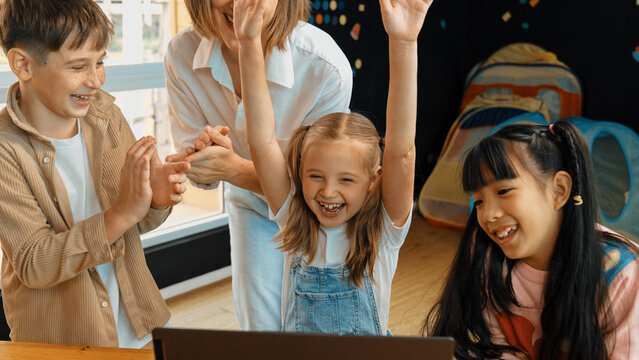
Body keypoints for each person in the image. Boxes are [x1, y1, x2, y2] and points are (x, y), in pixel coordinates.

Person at [219, 0, 432, 334]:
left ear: (374, 181)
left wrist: (403, 43)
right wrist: (248, 43)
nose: (328, 191)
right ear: (299, 173)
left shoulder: (384, 231)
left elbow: (402, 153)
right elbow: (261, 143)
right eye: (315, 176)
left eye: (346, 179)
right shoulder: (293, 216)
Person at [0, 0, 189, 347]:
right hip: (60, 343)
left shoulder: (107, 115)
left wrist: (155, 202)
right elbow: (33, 263)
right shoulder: (5, 150)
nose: (96, 79)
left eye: (100, 62)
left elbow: (134, 223)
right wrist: (123, 213)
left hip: (137, 327)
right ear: (22, 64)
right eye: (78, 66)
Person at [163, 0, 353, 330]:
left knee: (320, 325)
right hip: (249, 205)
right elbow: (202, 175)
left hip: (319, 215)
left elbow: (322, 192)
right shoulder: (182, 55)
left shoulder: (325, 66)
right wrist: (201, 160)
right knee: (261, 330)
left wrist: (232, 167)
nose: (239, 4)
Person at [425, 122, 639, 359]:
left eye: (503, 191)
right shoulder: (491, 262)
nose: (488, 215)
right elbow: (498, 350)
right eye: (479, 202)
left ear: (559, 190)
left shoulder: (621, 274)